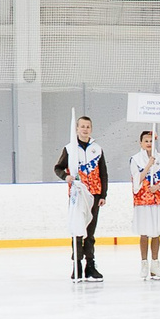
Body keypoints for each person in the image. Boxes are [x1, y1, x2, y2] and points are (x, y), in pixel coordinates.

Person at [54, 114, 108, 282]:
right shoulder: (70, 149)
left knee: (90, 232)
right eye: (82, 126)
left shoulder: (97, 149)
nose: (85, 129)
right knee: (78, 230)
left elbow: (103, 173)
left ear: (91, 129)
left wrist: (103, 194)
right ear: (76, 128)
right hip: (77, 196)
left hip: (94, 195)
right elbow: (58, 168)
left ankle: (90, 265)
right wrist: (66, 177)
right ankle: (76, 264)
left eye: (88, 126)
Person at [129, 130, 160, 280]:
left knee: (156, 232)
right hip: (142, 201)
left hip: (157, 200)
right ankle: (144, 263)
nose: (149, 143)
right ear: (141, 143)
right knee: (144, 232)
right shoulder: (135, 159)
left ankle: (155, 263)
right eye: (146, 141)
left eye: (151, 141)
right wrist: (148, 166)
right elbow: (136, 180)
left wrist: (159, 187)